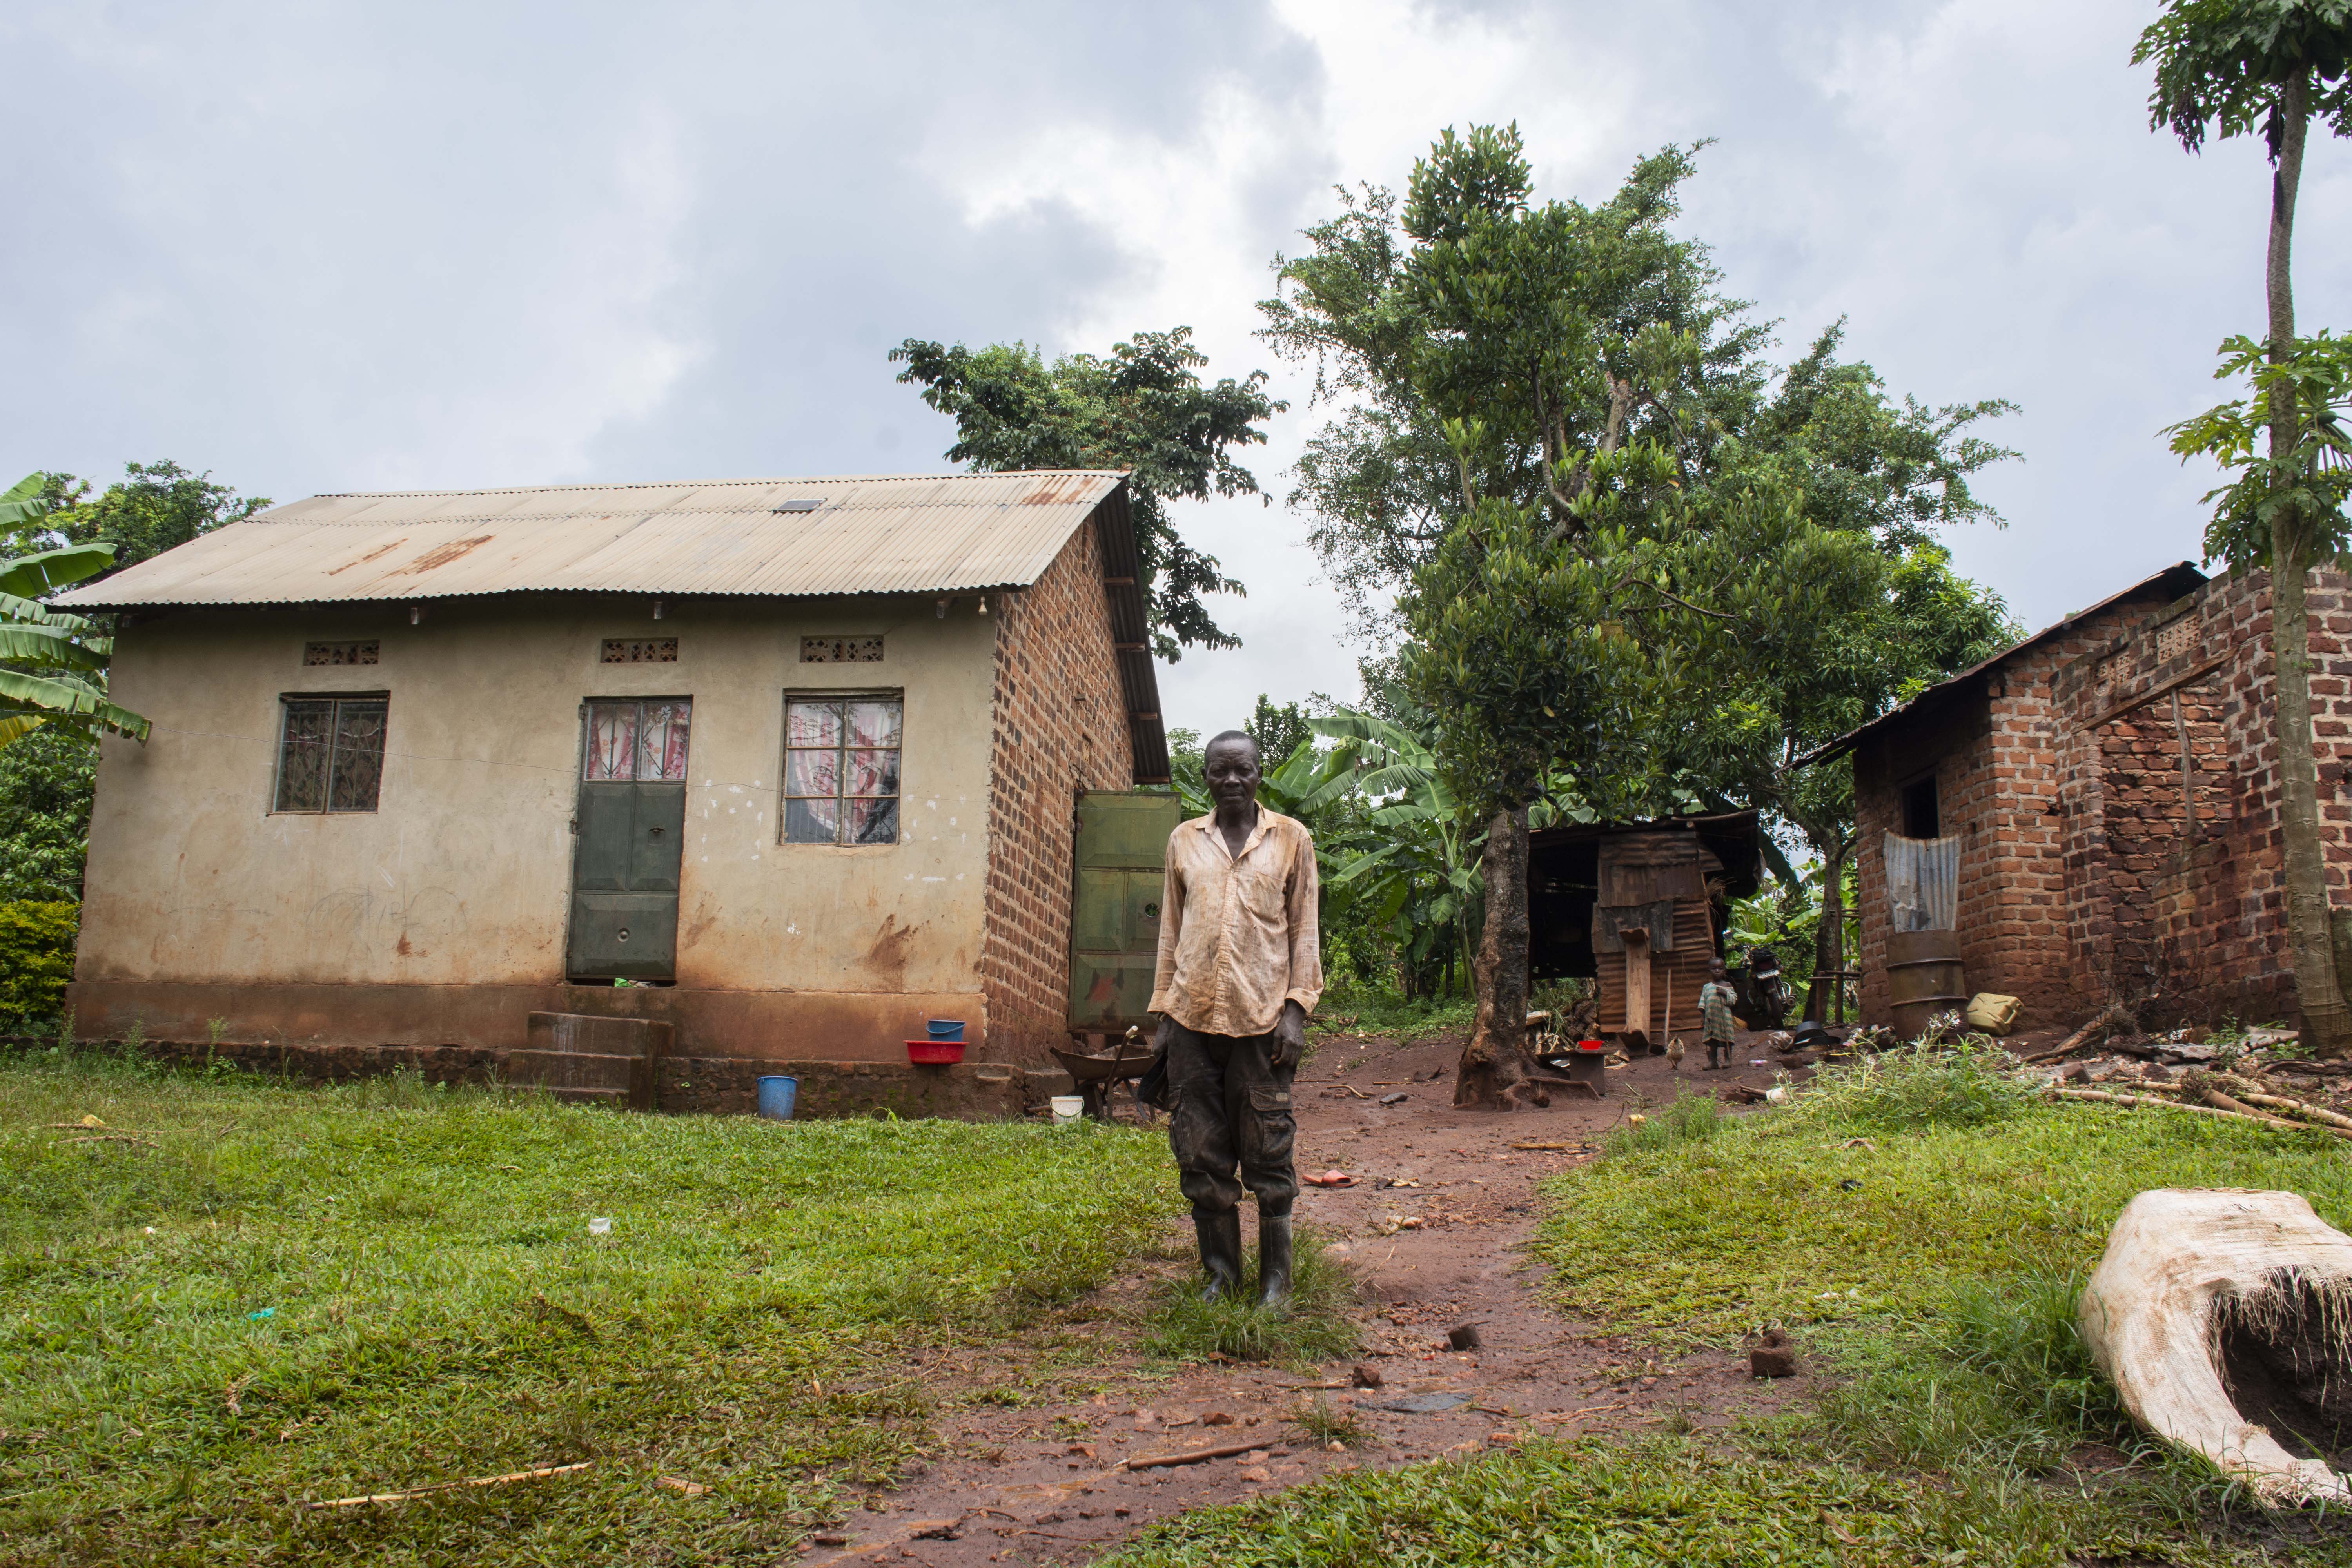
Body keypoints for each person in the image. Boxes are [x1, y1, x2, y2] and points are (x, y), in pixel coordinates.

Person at [1143, 729, 1323, 1307]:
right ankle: (1221, 1278)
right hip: (1192, 1020)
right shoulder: (1183, 841)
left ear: (1259, 773)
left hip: (1263, 1024)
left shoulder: (1291, 839)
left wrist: (1296, 1010)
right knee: (1200, 1153)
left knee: (1270, 1153)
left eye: (1242, 770)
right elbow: (1171, 931)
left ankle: (1278, 1283)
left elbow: (1305, 931)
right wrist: (1164, 1015)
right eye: (1220, 771)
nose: (1231, 781)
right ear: (1206, 777)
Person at [1699, 956, 1739, 1071]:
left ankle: (1728, 1060)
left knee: (1728, 1039)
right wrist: (1703, 1016)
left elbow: (1734, 1000)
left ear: (1724, 971)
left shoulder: (1728, 986)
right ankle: (1713, 1062)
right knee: (1712, 1041)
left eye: (1720, 969)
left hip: (1725, 1018)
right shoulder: (1707, 987)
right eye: (1714, 969)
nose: (1717, 971)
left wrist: (1725, 993)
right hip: (1711, 1019)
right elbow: (1703, 1002)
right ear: (1709, 971)